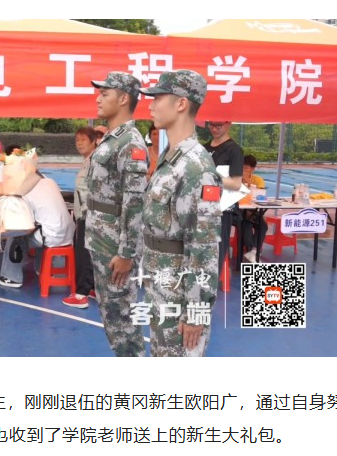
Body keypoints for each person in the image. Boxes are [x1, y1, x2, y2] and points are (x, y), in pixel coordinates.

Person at [139, 69, 222, 357]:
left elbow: (204, 246)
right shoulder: (172, 157)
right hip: (163, 284)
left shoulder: (196, 167)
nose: (151, 105)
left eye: (158, 98)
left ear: (181, 104)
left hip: (180, 294)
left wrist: (196, 312)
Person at [86, 71, 148, 356]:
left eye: (105, 94)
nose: (98, 99)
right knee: (111, 313)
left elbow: (134, 202)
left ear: (123, 99)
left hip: (114, 244)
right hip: (102, 237)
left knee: (121, 316)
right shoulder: (113, 138)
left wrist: (126, 253)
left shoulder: (130, 143)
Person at [0, 176, 75, 288]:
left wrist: (0, 234)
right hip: (69, 232)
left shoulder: (25, 191)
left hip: (52, 235)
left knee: (15, 236)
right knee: (41, 226)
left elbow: (26, 227)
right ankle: (41, 268)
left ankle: (11, 277)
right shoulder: (49, 181)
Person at [62, 126, 97, 308]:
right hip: (83, 213)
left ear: (94, 141)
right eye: (77, 140)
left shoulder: (94, 162)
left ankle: (81, 294)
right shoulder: (87, 161)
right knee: (87, 252)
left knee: (84, 253)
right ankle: (91, 287)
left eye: (83, 139)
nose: (79, 143)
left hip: (88, 213)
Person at [204, 120, 243, 279]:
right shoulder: (204, 149)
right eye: (211, 125)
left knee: (217, 252)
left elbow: (236, 184)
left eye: (218, 125)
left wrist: (210, 176)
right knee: (201, 250)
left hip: (222, 210)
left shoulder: (234, 150)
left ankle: (210, 286)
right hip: (203, 207)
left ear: (228, 124)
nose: (214, 129)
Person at [240, 154, 268, 263]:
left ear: (252, 169)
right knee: (246, 223)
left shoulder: (258, 180)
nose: (243, 170)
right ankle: (252, 251)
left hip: (253, 210)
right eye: (241, 167)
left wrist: (247, 180)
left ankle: (253, 251)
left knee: (263, 225)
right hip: (239, 210)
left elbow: (260, 194)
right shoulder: (235, 179)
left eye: (246, 168)